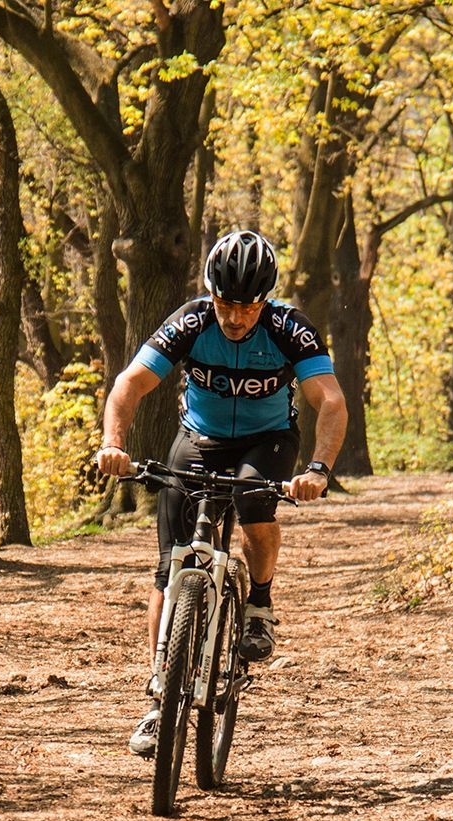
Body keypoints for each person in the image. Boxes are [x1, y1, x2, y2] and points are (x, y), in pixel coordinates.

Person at [96, 229, 347, 756]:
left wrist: (319, 469)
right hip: (200, 439)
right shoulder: (189, 322)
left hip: (268, 440)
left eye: (248, 306)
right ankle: (160, 693)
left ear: (265, 301)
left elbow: (330, 401)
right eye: (226, 303)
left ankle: (258, 604)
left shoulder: (289, 329)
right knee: (169, 567)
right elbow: (129, 384)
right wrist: (113, 444)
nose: (235, 317)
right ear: (210, 293)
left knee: (256, 499)